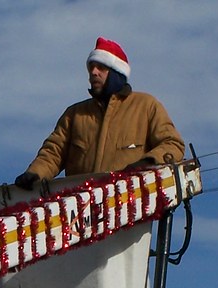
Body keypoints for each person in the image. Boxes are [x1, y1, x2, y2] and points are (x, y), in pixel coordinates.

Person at [14, 37, 185, 190]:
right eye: (91, 68)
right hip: (81, 214)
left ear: (116, 71)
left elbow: (173, 144)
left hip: (129, 209)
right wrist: (35, 174)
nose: (93, 72)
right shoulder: (74, 114)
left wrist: (147, 163)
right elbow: (53, 153)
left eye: (101, 67)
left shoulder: (146, 106)